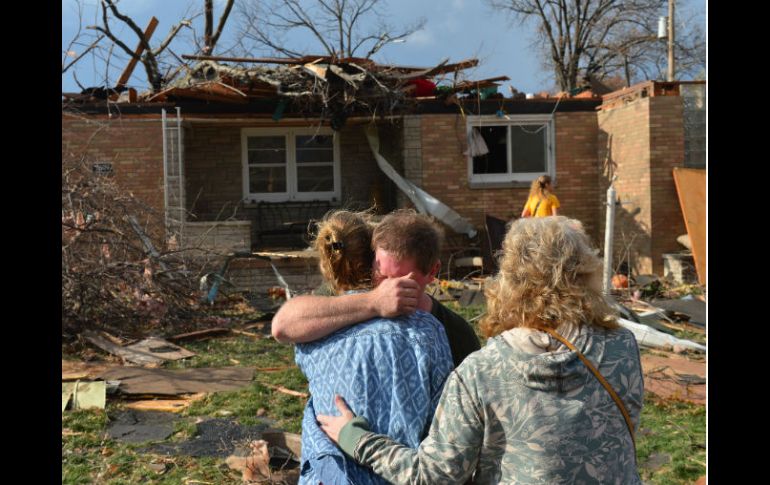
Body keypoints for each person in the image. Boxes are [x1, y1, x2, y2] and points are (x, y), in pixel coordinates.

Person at [318, 216, 645, 484]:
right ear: (586, 272)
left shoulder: (480, 372)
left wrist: (356, 439)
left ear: (509, 279)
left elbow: (433, 476)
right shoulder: (622, 349)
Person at [293, 210, 454, 485]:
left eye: (403, 281)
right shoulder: (429, 332)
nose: (393, 291)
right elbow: (447, 428)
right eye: (386, 277)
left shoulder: (315, 327)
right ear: (372, 262)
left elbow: (284, 327)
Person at [272, 209, 480, 368]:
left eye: (400, 280)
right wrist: (373, 303)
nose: (388, 289)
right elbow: (283, 326)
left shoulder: (455, 333)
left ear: (432, 271)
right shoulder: (347, 297)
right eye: (381, 275)